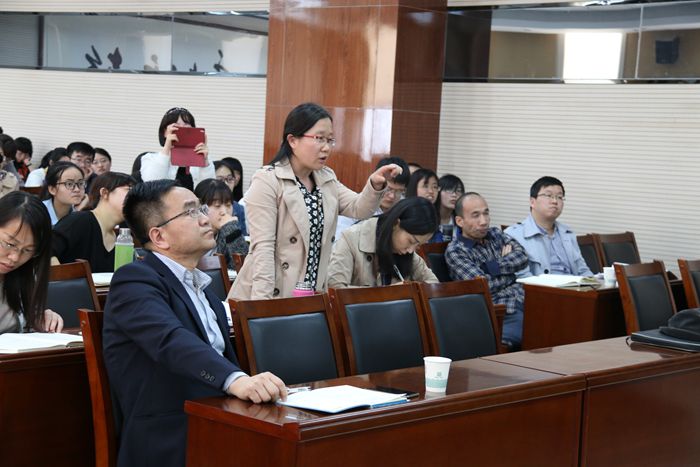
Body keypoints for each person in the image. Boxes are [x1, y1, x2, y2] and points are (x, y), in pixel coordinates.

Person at [103, 180, 286, 467]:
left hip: (217, 420)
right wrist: (236, 380)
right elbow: (169, 339)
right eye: (190, 212)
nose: (205, 218)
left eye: (201, 208)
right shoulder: (134, 281)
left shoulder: (203, 288)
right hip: (170, 436)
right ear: (159, 236)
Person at [229, 102, 400, 300]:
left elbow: (358, 209)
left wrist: (375, 185)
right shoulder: (268, 180)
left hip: (310, 294)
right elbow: (263, 249)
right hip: (271, 293)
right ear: (293, 140)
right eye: (319, 138)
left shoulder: (326, 178)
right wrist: (262, 307)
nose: (326, 148)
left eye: (330, 140)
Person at [445, 192, 529, 349]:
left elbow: (523, 257)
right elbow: (483, 286)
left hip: (525, 299)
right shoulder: (456, 251)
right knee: (539, 335)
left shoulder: (495, 234)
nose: (483, 221)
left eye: (486, 213)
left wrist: (492, 266)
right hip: (500, 312)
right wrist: (509, 275)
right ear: (460, 221)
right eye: (475, 215)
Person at [328, 197, 439, 288]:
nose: (411, 250)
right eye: (411, 241)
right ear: (396, 223)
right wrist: (387, 294)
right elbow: (335, 287)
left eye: (418, 245)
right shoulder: (350, 238)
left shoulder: (405, 250)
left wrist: (412, 288)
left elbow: (433, 284)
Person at [0, 191, 63, 334]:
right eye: (10, 244)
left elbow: (23, 324)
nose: (15, 258)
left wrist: (41, 318)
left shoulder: (24, 274)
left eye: (28, 250)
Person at [505, 176, 592, 278]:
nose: (555, 201)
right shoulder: (514, 235)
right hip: (542, 287)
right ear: (532, 202)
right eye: (548, 195)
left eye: (559, 197)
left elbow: (582, 270)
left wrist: (595, 283)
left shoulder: (567, 233)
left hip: (574, 286)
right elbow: (523, 278)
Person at [51, 172, 135, 272]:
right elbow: (46, 250)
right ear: (104, 193)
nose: (136, 199)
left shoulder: (122, 237)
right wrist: (61, 276)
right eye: (129, 191)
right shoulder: (80, 221)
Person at [334, 156, 410, 240]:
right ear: (378, 183)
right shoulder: (356, 205)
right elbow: (338, 238)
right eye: (388, 189)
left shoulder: (405, 210)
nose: (392, 196)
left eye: (399, 191)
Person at [140, 107, 214, 190]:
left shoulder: (203, 159)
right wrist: (167, 148)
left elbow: (209, 190)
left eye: (186, 124)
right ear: (164, 132)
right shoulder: (149, 158)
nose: (182, 128)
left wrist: (204, 162)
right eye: (176, 125)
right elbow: (151, 184)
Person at [194, 178, 249, 268]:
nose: (224, 212)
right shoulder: (191, 235)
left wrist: (232, 231)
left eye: (228, 205)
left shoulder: (229, 229)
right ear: (201, 208)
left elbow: (243, 267)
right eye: (217, 206)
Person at [41, 161, 85, 226]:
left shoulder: (82, 213)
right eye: (69, 184)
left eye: (80, 183)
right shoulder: (38, 212)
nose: (77, 189)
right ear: (52, 189)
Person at [214, 159, 247, 236]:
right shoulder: (203, 207)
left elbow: (243, 238)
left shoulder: (238, 208)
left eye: (229, 179)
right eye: (220, 180)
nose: (226, 184)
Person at [433, 174, 465, 242]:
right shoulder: (428, 218)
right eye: (449, 189)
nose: (454, 195)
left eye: (458, 191)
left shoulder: (462, 221)